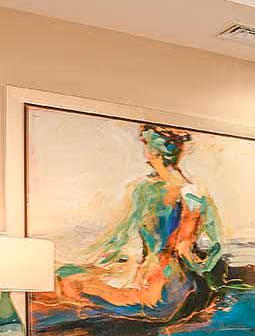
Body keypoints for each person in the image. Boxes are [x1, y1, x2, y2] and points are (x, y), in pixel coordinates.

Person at [48, 124, 229, 325]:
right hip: (169, 283)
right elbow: (185, 249)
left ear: (152, 152)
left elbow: (120, 238)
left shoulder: (143, 189)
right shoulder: (192, 191)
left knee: (69, 280)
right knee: (74, 281)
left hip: (157, 287)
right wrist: (208, 281)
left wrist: (96, 264)